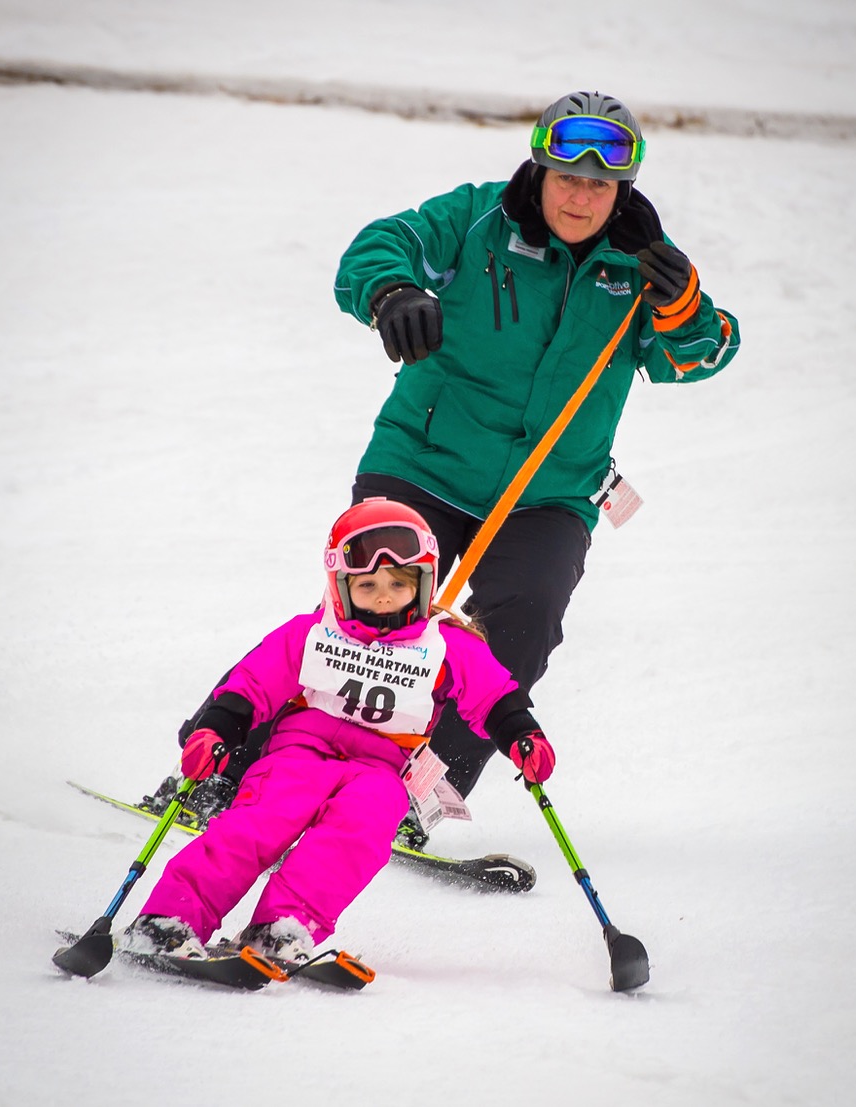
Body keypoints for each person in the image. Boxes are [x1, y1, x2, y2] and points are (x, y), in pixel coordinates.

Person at [333, 89, 741, 801]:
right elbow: (378, 243)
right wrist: (391, 291)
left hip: (549, 490)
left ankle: (416, 798)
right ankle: (248, 772)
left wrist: (683, 309)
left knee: (521, 627)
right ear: (539, 172)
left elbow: (702, 353)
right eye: (567, 178)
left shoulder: (644, 265)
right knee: (373, 608)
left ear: (622, 190)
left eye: (599, 184)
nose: (581, 197)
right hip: (423, 461)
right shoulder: (474, 219)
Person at [122, 498, 555, 962]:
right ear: (342, 586)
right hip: (298, 753)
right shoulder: (313, 633)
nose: (384, 595)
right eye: (367, 585)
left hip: (381, 769)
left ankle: (281, 928)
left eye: (398, 583)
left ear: (424, 582)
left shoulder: (445, 644)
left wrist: (521, 735)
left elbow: (493, 695)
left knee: (360, 832)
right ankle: (169, 918)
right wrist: (217, 729)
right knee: (257, 824)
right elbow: (253, 682)